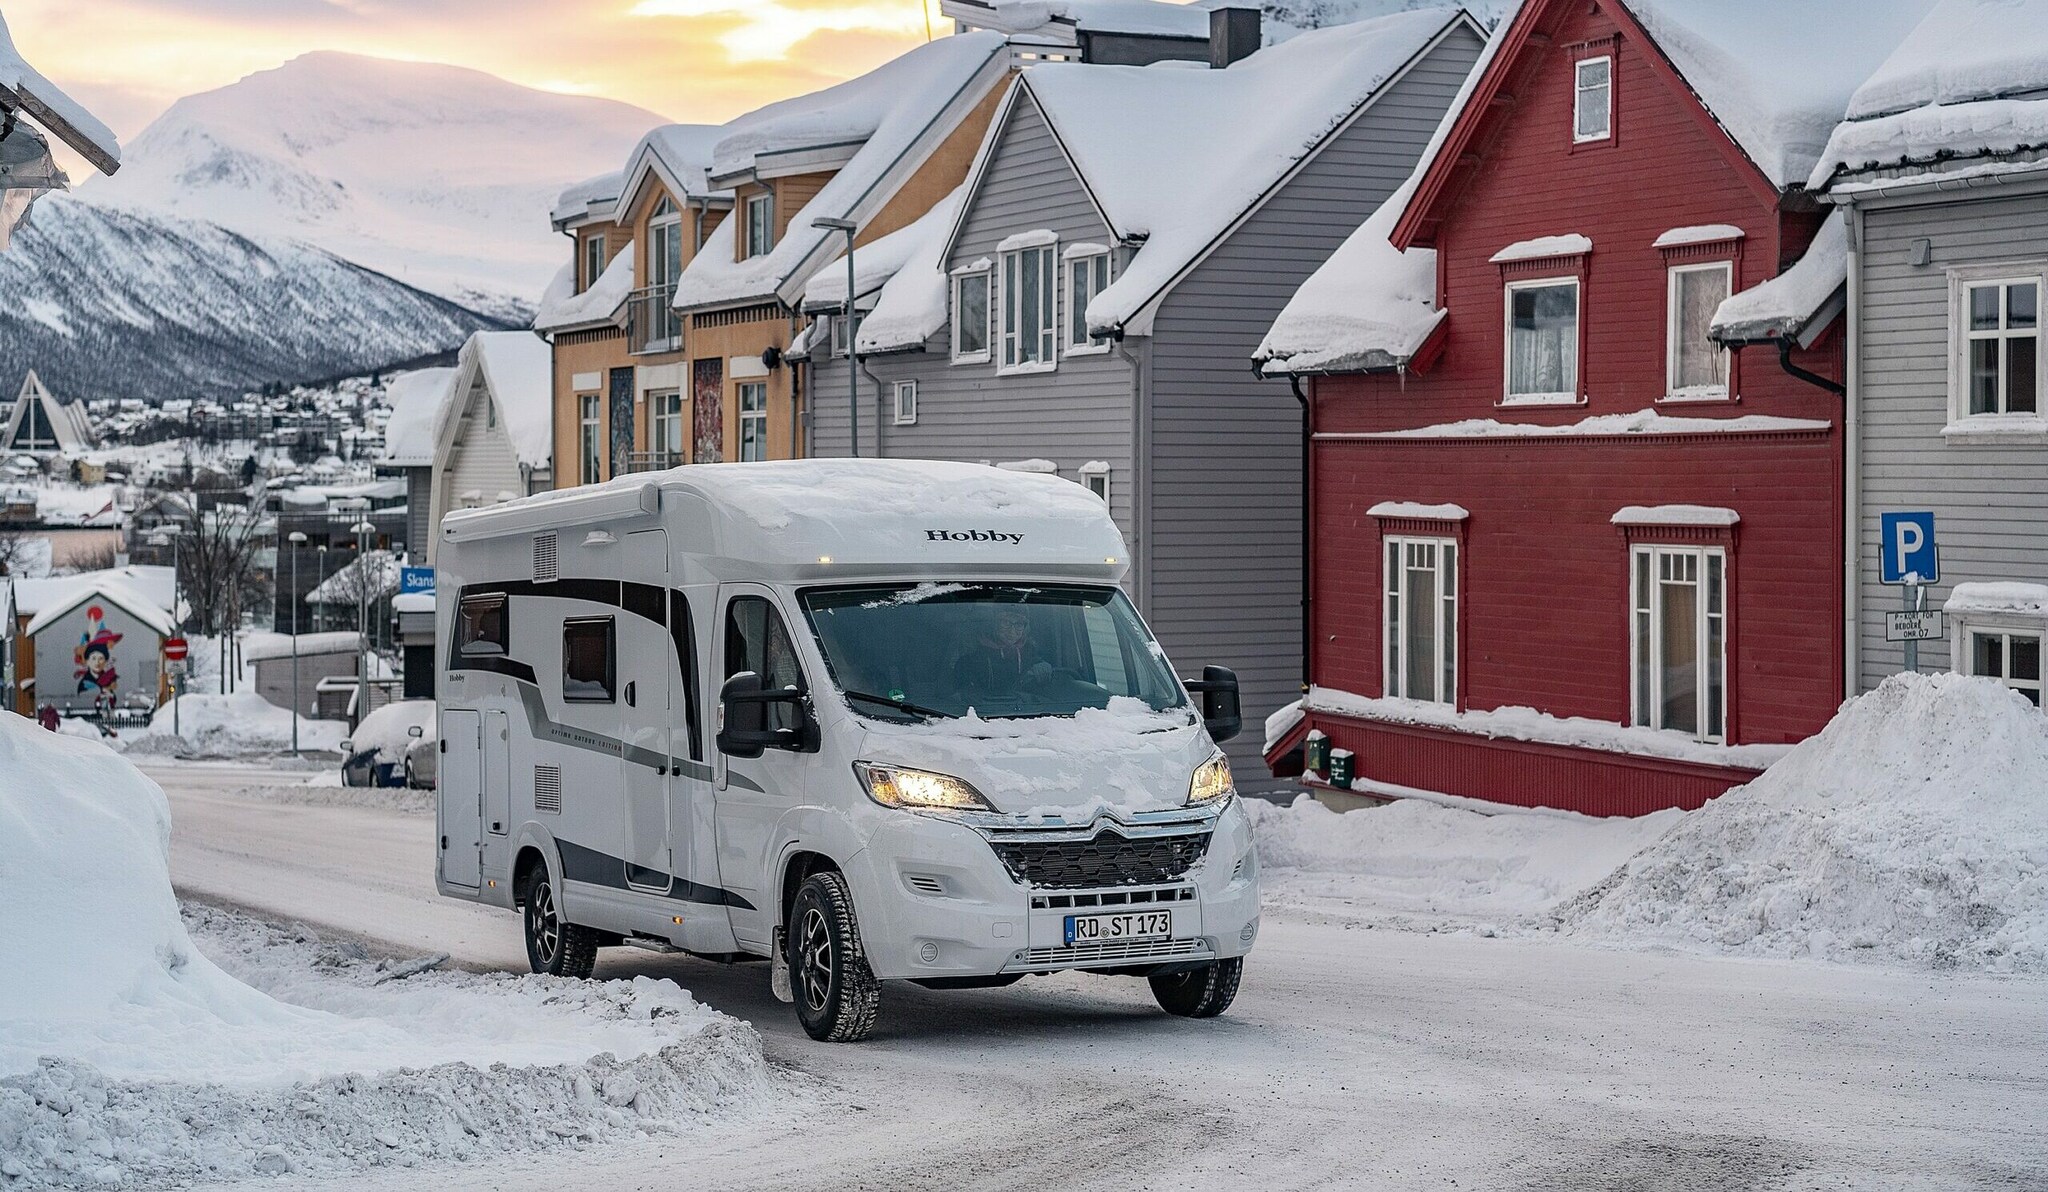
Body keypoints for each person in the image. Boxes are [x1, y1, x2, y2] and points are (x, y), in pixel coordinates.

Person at [953, 606, 1050, 703]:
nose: (1012, 631)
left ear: (1025, 628)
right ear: (994, 623)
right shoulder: (971, 658)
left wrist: (1043, 668)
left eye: (1019, 624)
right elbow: (962, 696)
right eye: (1006, 622)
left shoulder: (1031, 654)